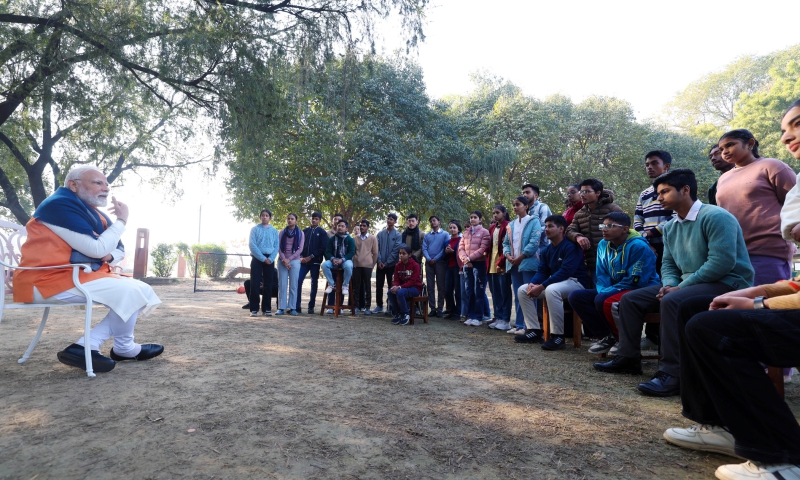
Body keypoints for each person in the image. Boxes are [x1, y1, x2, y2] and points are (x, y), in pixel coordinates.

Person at [596, 169, 754, 398]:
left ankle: (673, 373)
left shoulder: (715, 216)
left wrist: (680, 287)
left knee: (672, 300)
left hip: (728, 282)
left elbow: (722, 262)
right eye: (658, 193)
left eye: (664, 192)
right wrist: (668, 283)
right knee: (630, 299)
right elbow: (668, 264)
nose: (658, 198)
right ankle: (628, 358)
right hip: (688, 284)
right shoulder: (670, 226)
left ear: (686, 190)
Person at [14, 166, 163, 373]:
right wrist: (121, 221)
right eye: (97, 183)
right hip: (45, 278)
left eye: (106, 184)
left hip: (76, 274)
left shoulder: (91, 212)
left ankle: (122, 348)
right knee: (130, 292)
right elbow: (97, 248)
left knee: (143, 289)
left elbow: (117, 248)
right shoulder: (58, 206)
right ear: (73, 185)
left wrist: (110, 255)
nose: (106, 189)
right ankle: (90, 346)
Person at [567, 212, 660, 355]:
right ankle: (607, 336)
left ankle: (623, 341)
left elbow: (637, 279)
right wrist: (605, 289)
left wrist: (609, 291)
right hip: (614, 288)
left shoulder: (638, 246)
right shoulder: (603, 245)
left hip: (641, 288)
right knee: (577, 297)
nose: (604, 229)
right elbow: (602, 274)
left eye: (609, 226)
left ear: (624, 229)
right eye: (602, 225)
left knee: (604, 300)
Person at [716, 129, 797, 285]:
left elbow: (795, 203)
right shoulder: (723, 179)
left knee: (764, 304)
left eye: (730, 145)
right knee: (737, 306)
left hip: (768, 251)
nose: (724, 151)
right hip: (733, 254)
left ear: (750, 143)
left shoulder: (772, 166)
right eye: (721, 149)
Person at [515, 215, 590, 349]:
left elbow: (566, 271)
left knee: (551, 290)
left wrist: (542, 286)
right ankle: (534, 331)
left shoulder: (571, 246)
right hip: (557, 283)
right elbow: (542, 271)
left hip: (576, 282)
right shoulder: (547, 250)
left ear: (561, 229)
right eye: (546, 226)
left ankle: (558, 337)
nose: (546, 229)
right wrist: (533, 283)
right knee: (523, 289)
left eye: (550, 226)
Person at [633, 150, 674, 348]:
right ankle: (650, 336)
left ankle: (666, 337)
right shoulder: (645, 193)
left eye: (654, 163)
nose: (649, 167)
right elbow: (638, 219)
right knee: (650, 287)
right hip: (649, 249)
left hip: (670, 246)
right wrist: (645, 240)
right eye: (647, 164)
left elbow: (675, 217)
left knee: (668, 287)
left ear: (666, 166)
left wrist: (652, 234)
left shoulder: (674, 188)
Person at [566, 178, 623, 283]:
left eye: (587, 191)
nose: (583, 194)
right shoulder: (579, 214)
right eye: (581, 191)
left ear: (598, 193)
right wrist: (578, 237)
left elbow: (623, 227)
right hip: (593, 264)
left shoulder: (612, 209)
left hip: (616, 261)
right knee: (597, 294)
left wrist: (602, 227)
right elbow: (569, 230)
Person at [500, 196, 542, 332]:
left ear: (526, 206)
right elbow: (505, 243)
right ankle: (519, 325)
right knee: (518, 295)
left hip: (528, 263)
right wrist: (508, 255)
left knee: (529, 294)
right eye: (514, 205)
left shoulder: (533, 221)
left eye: (518, 204)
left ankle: (529, 326)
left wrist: (521, 257)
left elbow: (534, 241)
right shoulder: (511, 225)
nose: (515, 207)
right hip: (513, 264)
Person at [458, 211, 490, 327]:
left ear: (480, 219)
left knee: (479, 291)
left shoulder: (485, 232)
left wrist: (469, 259)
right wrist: (465, 259)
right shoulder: (465, 233)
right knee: (469, 291)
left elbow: (483, 249)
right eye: (471, 217)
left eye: (475, 217)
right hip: (467, 266)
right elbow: (460, 248)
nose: (472, 219)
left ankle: (478, 317)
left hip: (479, 265)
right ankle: (470, 316)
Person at [249, 208, 279, 317]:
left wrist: (270, 259)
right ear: (260, 217)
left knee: (268, 284)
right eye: (263, 215)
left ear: (270, 218)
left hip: (270, 259)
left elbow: (276, 246)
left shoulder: (274, 231)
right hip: (257, 258)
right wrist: (262, 258)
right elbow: (252, 245)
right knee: (255, 283)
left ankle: (266, 309)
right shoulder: (254, 229)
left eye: (267, 215)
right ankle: (254, 309)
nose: (264, 217)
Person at [296, 211, 327, 314]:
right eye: (313, 218)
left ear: (319, 220)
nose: (314, 220)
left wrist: (311, 256)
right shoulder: (304, 231)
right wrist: (301, 257)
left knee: (314, 283)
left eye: (316, 219)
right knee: (298, 281)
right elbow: (299, 245)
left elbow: (322, 247)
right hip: (303, 262)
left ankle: (311, 306)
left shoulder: (322, 232)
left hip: (315, 262)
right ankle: (297, 306)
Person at [486, 206, 512, 330]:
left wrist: (500, 263)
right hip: (491, 264)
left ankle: (506, 319)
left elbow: (507, 247)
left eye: (497, 213)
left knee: (504, 292)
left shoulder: (508, 226)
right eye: (493, 213)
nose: (495, 215)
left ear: (504, 214)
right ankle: (498, 317)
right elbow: (490, 246)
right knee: (495, 293)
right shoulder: (492, 227)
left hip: (502, 265)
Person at [373, 213, 402, 314]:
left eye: (392, 219)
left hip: (392, 265)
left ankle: (390, 307)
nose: (389, 221)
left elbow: (396, 251)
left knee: (391, 286)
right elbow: (377, 249)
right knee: (379, 286)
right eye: (388, 219)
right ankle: (379, 306)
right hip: (380, 265)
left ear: (395, 222)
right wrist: (380, 261)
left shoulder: (398, 235)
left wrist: (387, 262)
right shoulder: (380, 234)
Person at [276, 213, 304, 316]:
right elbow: (278, 247)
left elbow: (300, 248)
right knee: (282, 285)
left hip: (295, 261)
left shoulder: (301, 233)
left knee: (293, 285)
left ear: (296, 220)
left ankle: (293, 308)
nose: (290, 220)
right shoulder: (282, 232)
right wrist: (284, 259)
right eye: (288, 219)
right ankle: (281, 308)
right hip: (282, 261)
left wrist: (290, 259)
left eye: (292, 219)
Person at [388, 244, 423, 326]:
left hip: (415, 288)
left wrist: (399, 287)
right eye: (400, 253)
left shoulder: (415, 265)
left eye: (404, 253)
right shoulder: (398, 265)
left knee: (400, 292)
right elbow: (396, 279)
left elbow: (413, 281)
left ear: (409, 255)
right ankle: (397, 313)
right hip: (403, 288)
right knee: (390, 292)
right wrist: (395, 286)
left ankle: (405, 314)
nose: (401, 255)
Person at [422, 215, 449, 317]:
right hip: (429, 264)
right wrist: (429, 259)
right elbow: (424, 248)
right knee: (430, 287)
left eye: (434, 220)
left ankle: (440, 309)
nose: (432, 222)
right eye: (431, 221)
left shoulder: (445, 234)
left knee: (441, 286)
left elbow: (445, 249)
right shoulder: (427, 235)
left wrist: (436, 259)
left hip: (440, 263)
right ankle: (432, 308)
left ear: (439, 222)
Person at [322, 220, 356, 296]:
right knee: (324, 265)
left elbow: (352, 252)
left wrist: (342, 259)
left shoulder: (350, 239)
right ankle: (331, 284)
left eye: (342, 226)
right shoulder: (332, 239)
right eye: (339, 226)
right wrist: (333, 259)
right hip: (334, 260)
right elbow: (327, 252)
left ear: (346, 229)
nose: (340, 227)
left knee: (349, 266)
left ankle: (345, 285)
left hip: (345, 260)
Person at [352, 219, 378, 315]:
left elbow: (375, 253)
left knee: (367, 286)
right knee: (356, 286)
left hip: (368, 266)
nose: (362, 227)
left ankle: (367, 307)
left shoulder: (372, 238)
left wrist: (372, 265)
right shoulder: (355, 238)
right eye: (361, 226)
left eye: (364, 226)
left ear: (368, 227)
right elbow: (352, 251)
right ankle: (356, 306)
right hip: (357, 265)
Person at [443, 220, 462, 319]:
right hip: (448, 268)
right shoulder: (447, 241)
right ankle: (451, 310)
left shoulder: (461, 240)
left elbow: (461, 254)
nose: (452, 229)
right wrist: (446, 252)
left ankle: (458, 313)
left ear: (458, 229)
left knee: (458, 291)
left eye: (454, 228)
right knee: (447, 291)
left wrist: (453, 251)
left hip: (457, 267)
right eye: (450, 228)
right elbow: (444, 255)